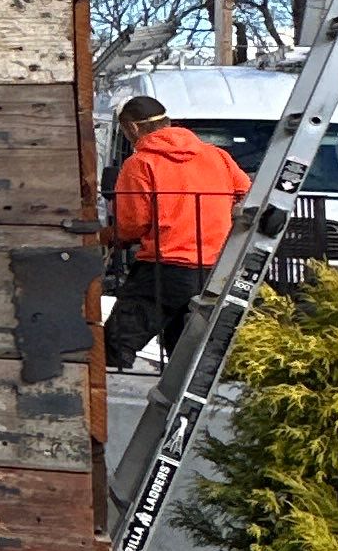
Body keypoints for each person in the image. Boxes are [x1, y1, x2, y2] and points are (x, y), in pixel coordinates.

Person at [103, 94, 252, 369]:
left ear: (132, 128)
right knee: (184, 348)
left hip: (163, 267)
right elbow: (246, 192)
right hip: (213, 266)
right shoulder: (217, 155)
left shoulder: (140, 164)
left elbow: (133, 224)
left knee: (116, 344)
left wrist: (110, 236)